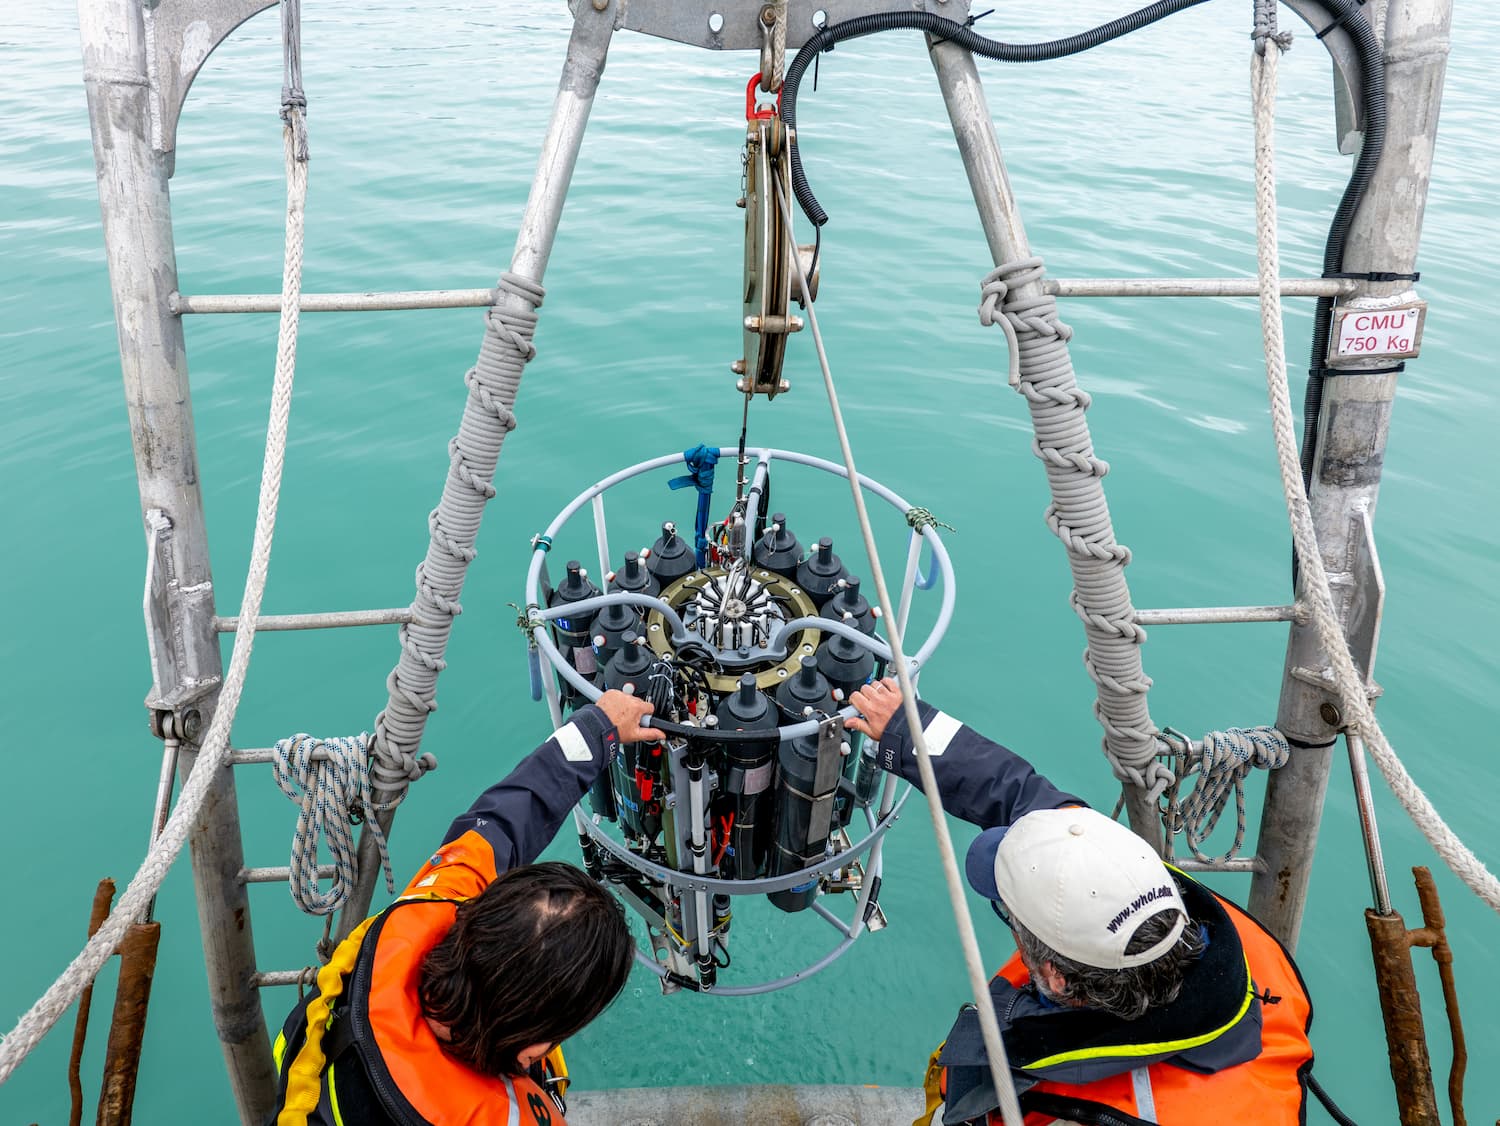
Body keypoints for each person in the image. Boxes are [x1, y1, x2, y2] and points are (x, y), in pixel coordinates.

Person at [845, 679, 1315, 1126]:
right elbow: (1025, 798)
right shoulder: (1199, 925)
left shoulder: (1067, 1113)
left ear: (1055, 974)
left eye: (1008, 910)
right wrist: (910, 729)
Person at [269, 690, 663, 1126]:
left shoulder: (435, 905)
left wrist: (597, 729)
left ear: (475, 916)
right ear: (532, 1051)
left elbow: (505, 819)